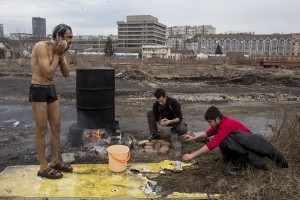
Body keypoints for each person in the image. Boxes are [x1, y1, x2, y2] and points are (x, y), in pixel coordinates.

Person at [29, 23, 73, 179]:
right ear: (58, 37)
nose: (70, 41)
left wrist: (61, 55)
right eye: (68, 38)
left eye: (71, 38)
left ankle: (54, 161)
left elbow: (67, 73)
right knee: (41, 129)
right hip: (38, 89)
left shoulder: (61, 51)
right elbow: (47, 73)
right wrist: (56, 54)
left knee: (56, 126)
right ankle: (43, 166)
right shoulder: (41, 46)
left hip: (51, 89)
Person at [182, 106, 288, 170]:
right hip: (239, 144)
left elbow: (212, 144)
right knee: (224, 141)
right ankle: (229, 158)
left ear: (217, 118)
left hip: (248, 147)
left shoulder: (226, 124)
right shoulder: (220, 123)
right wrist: (193, 138)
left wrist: (192, 155)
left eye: (210, 122)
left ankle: (241, 165)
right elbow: (208, 133)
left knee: (223, 142)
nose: (209, 124)